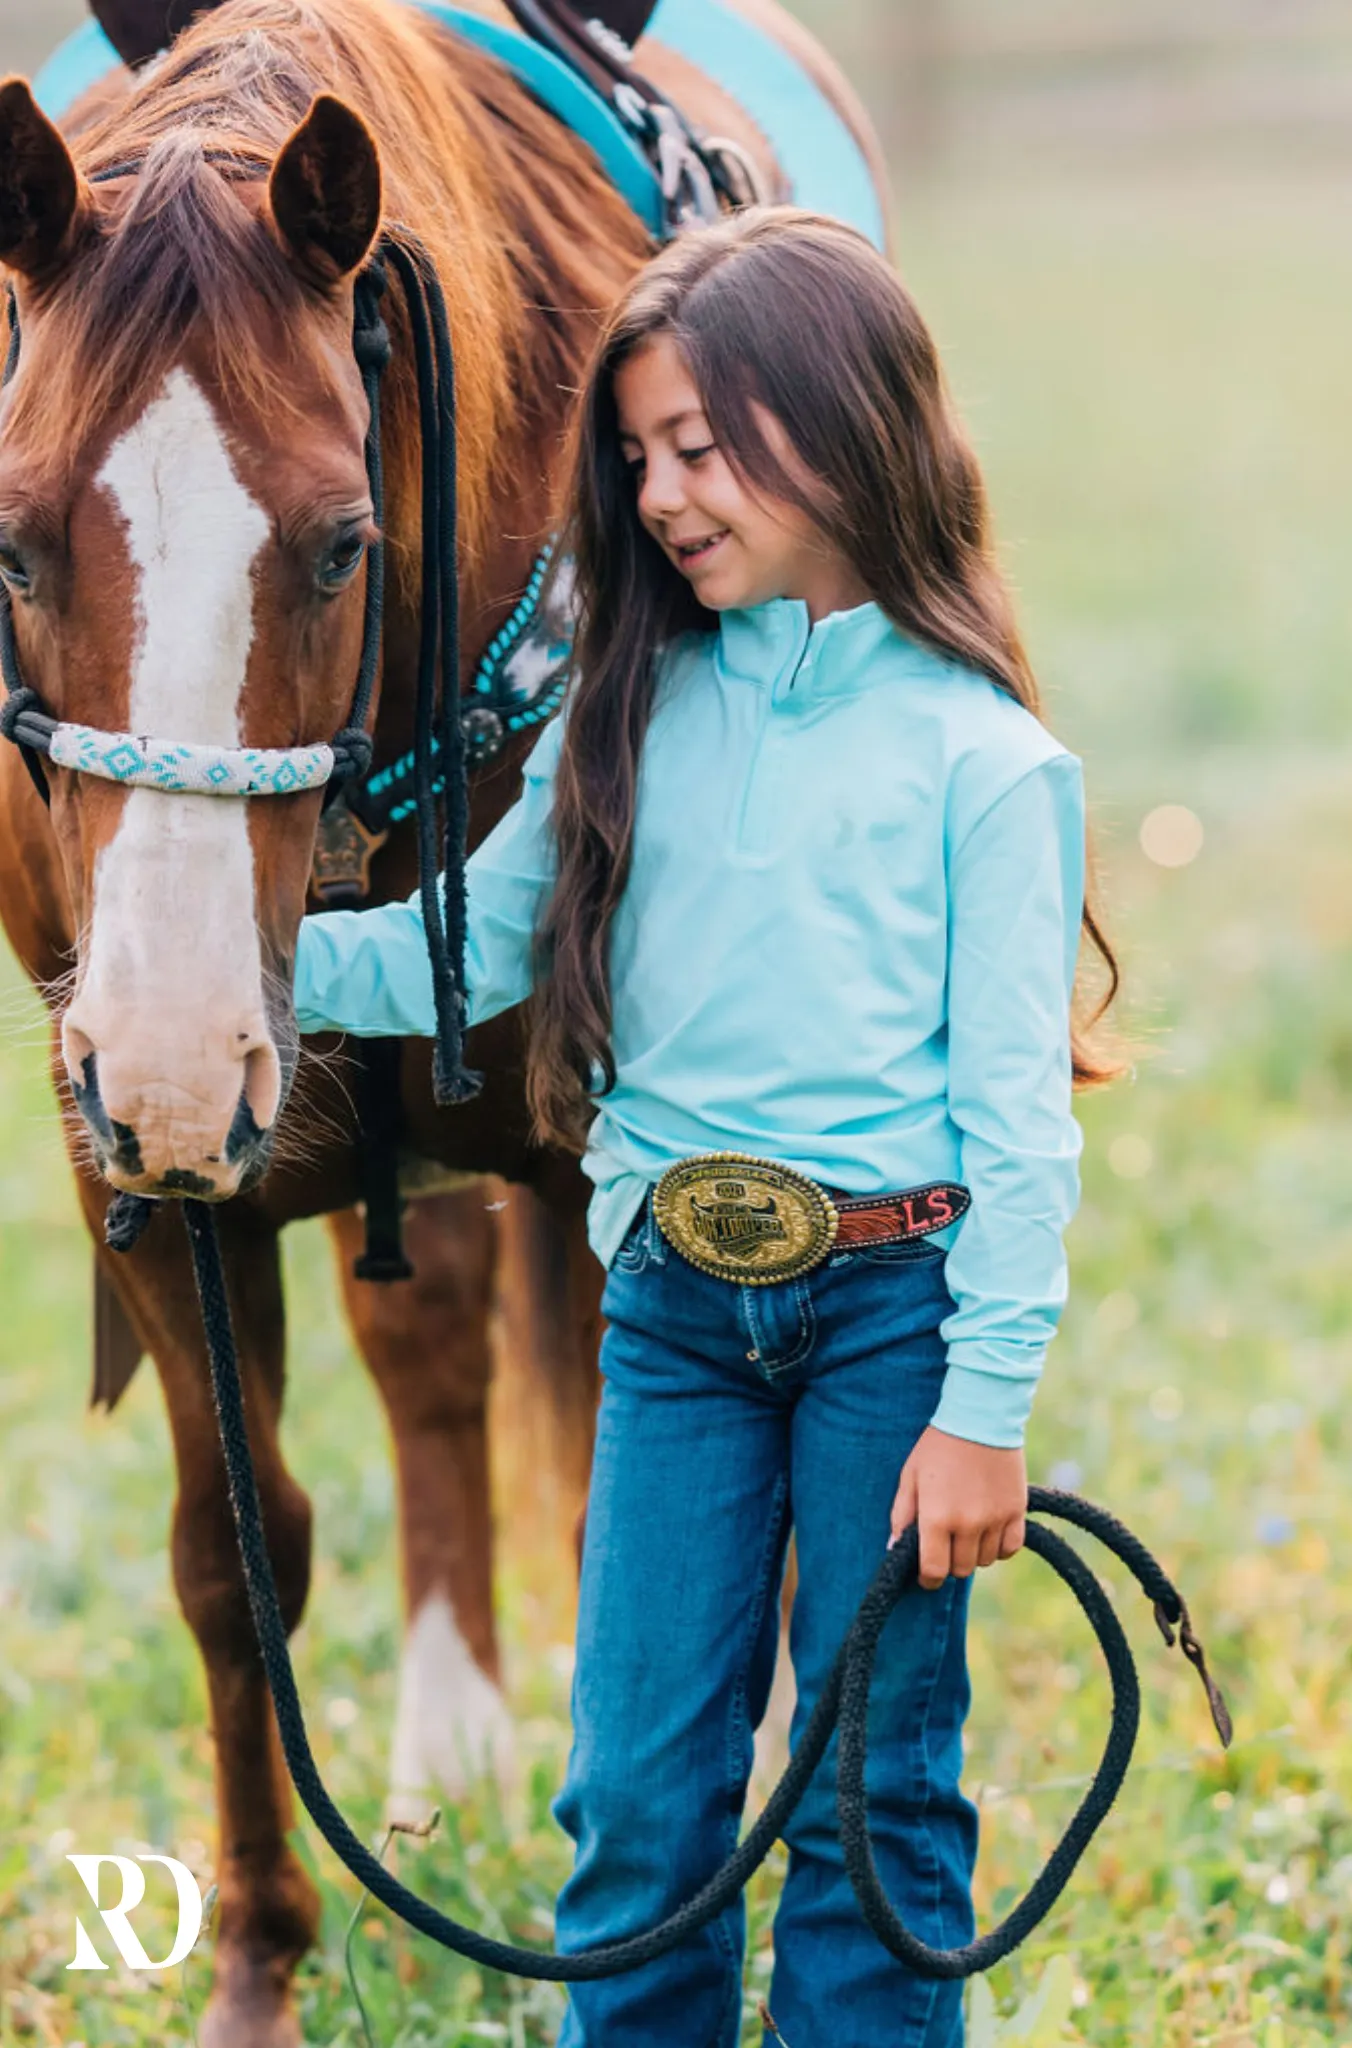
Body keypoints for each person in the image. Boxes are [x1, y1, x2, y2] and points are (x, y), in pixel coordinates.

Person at [294, 207, 1119, 2048]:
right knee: (640, 1801)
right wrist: (239, 964)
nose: (662, 496)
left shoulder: (984, 763)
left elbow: (1014, 1117)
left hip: (893, 1316)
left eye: (702, 448)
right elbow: (475, 949)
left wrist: (985, 1412)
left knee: (869, 1795)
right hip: (671, 1310)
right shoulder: (626, 700)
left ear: (853, 428)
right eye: (642, 457)